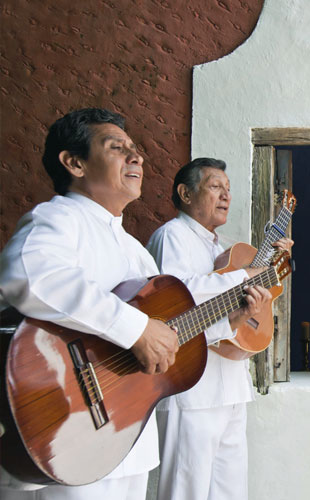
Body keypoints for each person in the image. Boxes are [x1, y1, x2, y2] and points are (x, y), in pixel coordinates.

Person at [0, 108, 179, 499]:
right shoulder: (58, 218)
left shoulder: (136, 252)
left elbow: (157, 335)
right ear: (74, 162)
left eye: (135, 149)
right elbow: (31, 275)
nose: (137, 157)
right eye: (118, 148)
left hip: (127, 432)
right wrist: (135, 328)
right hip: (68, 430)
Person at [146, 157, 288, 500]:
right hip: (191, 390)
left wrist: (269, 274)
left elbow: (234, 303)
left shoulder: (224, 249)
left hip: (231, 387)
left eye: (228, 189)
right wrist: (247, 278)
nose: (225, 195)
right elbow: (178, 297)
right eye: (214, 187)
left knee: (230, 491)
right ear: (185, 193)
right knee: (186, 491)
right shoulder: (172, 235)